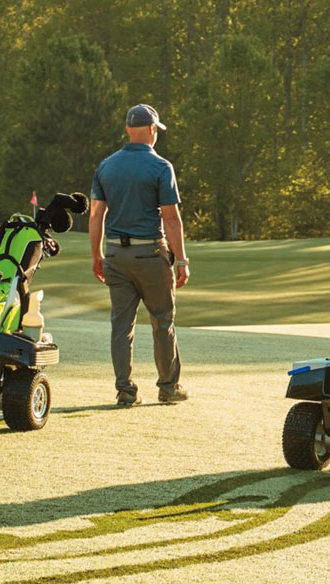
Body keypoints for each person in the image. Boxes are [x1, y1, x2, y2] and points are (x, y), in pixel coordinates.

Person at [89, 104, 190, 406]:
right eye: (156, 130)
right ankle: (168, 388)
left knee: (121, 325)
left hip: (115, 256)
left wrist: (96, 255)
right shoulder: (161, 167)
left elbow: (96, 215)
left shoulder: (106, 166)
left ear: (127, 130)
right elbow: (171, 218)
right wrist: (182, 259)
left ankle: (125, 390)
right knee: (162, 320)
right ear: (150, 130)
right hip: (150, 255)